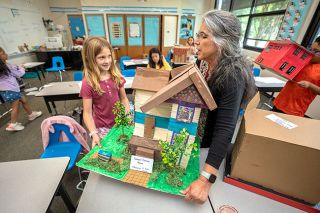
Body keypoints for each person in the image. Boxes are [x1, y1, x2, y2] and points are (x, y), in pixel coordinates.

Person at [180, 10, 256, 204]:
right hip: (195, 138)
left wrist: (205, 180)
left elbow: (225, 129)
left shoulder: (232, 75)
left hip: (208, 150)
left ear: (223, 41)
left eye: (204, 36)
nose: (197, 41)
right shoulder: (203, 62)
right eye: (198, 34)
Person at [80, 37, 130, 148]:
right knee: (108, 152)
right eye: (101, 57)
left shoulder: (116, 76)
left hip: (119, 124)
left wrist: (126, 114)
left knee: (122, 149)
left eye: (109, 56)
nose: (107, 61)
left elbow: (124, 98)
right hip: (102, 127)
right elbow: (87, 113)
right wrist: (94, 134)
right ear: (90, 59)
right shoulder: (88, 83)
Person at [272, 36, 320, 117]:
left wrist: (309, 85)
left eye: (316, 51)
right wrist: (269, 65)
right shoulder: (303, 60)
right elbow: (283, 66)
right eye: (310, 49)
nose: (311, 53)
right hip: (280, 102)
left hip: (295, 110)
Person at [0, 47, 42, 131]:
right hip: (12, 89)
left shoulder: (4, 66)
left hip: (5, 90)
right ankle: (13, 124)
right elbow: (19, 74)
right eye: (3, 53)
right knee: (15, 106)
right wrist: (22, 67)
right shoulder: (7, 66)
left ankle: (31, 114)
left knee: (23, 100)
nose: (6, 54)